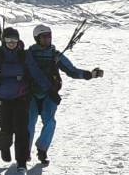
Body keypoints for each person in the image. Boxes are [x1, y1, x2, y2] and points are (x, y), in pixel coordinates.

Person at [23, 24, 104, 164]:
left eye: (50, 36)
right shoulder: (28, 55)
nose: (48, 39)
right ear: (37, 38)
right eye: (45, 36)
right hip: (31, 94)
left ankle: (42, 149)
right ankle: (24, 153)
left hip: (50, 95)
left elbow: (71, 70)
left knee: (50, 122)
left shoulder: (56, 55)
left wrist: (90, 74)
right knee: (29, 123)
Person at [0, 28, 51, 167]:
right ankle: (4, 146)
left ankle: (22, 161)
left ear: (18, 41)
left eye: (14, 40)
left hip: (21, 96)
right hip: (2, 97)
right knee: (6, 128)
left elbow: (36, 73)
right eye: (8, 41)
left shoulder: (24, 55)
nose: (12, 43)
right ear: (4, 41)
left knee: (22, 129)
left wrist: (49, 88)